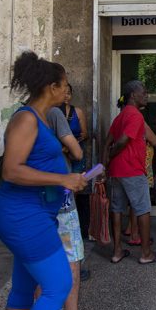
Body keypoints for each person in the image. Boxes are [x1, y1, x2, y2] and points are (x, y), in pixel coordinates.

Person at [0, 51, 87, 310]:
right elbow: (11, 169)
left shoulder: (42, 119)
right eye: (64, 84)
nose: (67, 90)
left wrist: (70, 179)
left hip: (33, 214)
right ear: (51, 87)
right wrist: (62, 181)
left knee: (23, 286)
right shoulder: (26, 118)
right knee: (58, 285)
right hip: (23, 215)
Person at [45, 104, 107, 310]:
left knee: (42, 262)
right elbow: (77, 152)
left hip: (39, 203)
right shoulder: (55, 114)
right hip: (60, 200)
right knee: (71, 262)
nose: (66, 92)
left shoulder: (24, 115)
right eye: (62, 85)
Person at [102, 80, 156, 265]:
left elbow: (106, 143)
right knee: (143, 210)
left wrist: (106, 162)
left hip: (117, 172)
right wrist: (111, 156)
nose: (146, 95)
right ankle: (146, 253)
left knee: (117, 210)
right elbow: (121, 142)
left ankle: (117, 252)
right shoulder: (136, 116)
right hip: (132, 170)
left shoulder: (120, 117)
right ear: (132, 96)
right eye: (143, 92)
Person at [58, 85, 92, 281]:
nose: (66, 96)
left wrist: (69, 146)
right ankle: (73, 265)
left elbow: (84, 135)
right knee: (66, 215)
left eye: (69, 92)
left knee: (72, 205)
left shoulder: (76, 112)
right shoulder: (53, 114)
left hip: (74, 159)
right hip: (61, 166)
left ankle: (74, 264)